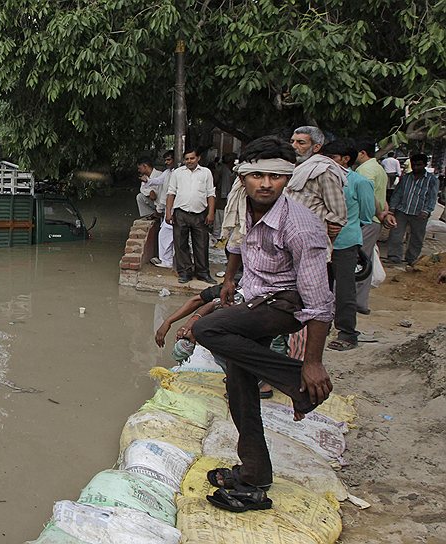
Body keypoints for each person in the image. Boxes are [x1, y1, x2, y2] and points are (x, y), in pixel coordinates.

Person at [191, 136, 334, 513]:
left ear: (287, 179)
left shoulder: (301, 227)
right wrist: (229, 279)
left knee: (209, 329)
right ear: (244, 178)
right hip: (254, 296)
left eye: (275, 176)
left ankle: (296, 383)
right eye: (257, 175)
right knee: (239, 388)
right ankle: (254, 474)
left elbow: (320, 304)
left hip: (286, 305)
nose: (266, 183)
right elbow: (238, 243)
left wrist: (312, 364)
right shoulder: (245, 205)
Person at [155, 284, 274, 398]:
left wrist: (195, 328)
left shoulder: (244, 296)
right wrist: (170, 321)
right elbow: (204, 302)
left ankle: (260, 384)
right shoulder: (226, 290)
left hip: (263, 325)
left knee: (215, 339)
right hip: (245, 321)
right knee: (211, 334)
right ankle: (238, 375)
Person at [320, 138, 376, 351]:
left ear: (345, 159)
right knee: (319, 288)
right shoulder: (319, 178)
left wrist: (346, 226)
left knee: (344, 290)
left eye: (331, 158)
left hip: (345, 243)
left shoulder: (359, 182)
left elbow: (366, 213)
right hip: (321, 242)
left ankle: (347, 332)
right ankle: (320, 326)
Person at [353, 139, 397, 315]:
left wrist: (380, 212)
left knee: (356, 262)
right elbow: (380, 194)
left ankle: (351, 301)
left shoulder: (365, 170)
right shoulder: (377, 168)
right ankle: (359, 302)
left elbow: (368, 193)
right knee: (365, 261)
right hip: (374, 221)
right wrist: (384, 211)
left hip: (367, 220)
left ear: (362, 153)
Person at [286, 126, 347, 246]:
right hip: (286, 240)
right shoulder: (289, 168)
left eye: (301, 142)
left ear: (316, 147)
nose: (294, 146)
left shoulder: (323, 171)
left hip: (311, 242)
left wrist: (326, 228)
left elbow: (338, 213)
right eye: (292, 141)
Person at [166, 148, 217, 283]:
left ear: (198, 158)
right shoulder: (177, 173)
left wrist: (211, 213)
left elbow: (211, 194)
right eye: (187, 159)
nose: (189, 161)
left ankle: (203, 273)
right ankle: (185, 273)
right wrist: (168, 212)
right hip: (180, 213)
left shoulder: (206, 173)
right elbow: (171, 193)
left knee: (201, 244)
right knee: (180, 244)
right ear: (184, 160)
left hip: (200, 213)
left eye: (192, 158)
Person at [385, 153, 440, 265]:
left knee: (417, 237)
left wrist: (427, 210)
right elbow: (397, 193)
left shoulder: (432, 180)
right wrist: (392, 208)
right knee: (396, 234)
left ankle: (412, 258)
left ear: (424, 165)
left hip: (420, 213)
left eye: (419, 165)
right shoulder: (406, 178)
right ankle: (394, 257)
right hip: (402, 211)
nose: (416, 167)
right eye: (414, 165)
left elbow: (432, 197)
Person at [151, 150, 176, 268]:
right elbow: (158, 181)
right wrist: (147, 180)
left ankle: (167, 261)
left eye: (169, 160)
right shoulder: (167, 172)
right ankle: (167, 260)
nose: (166, 162)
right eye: (165, 160)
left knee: (166, 234)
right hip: (168, 207)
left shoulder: (177, 173)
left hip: (175, 208)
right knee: (167, 234)